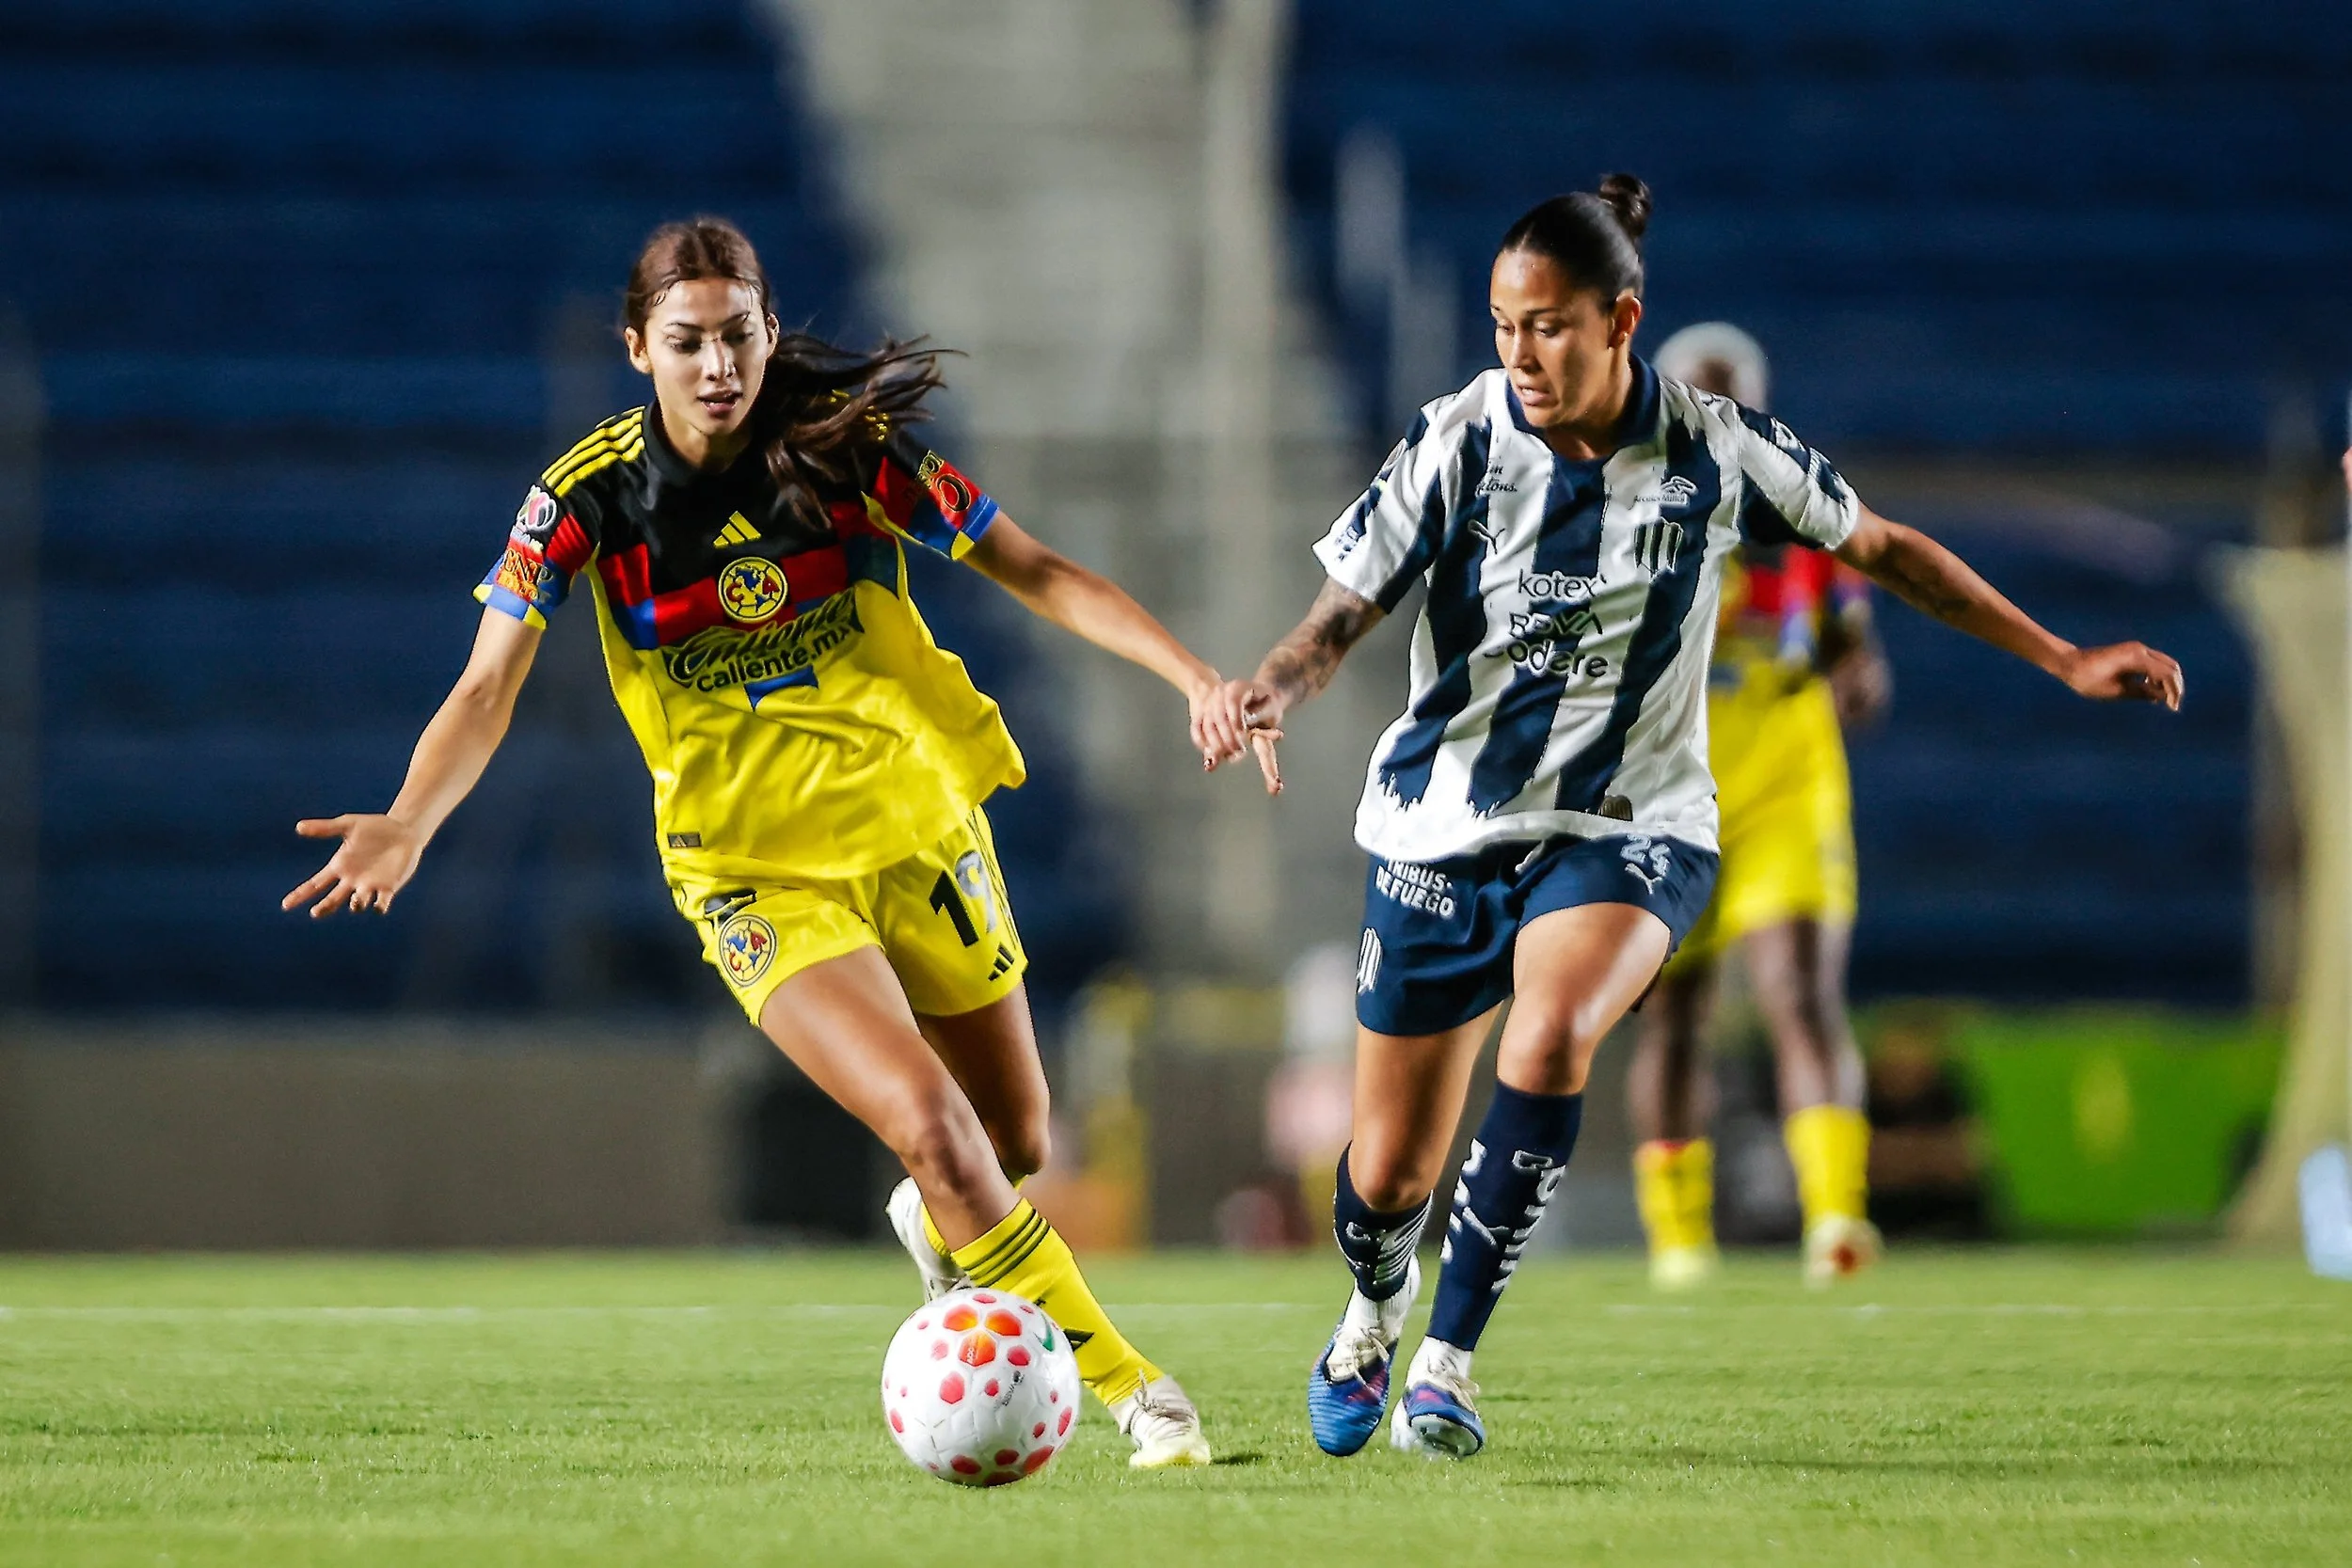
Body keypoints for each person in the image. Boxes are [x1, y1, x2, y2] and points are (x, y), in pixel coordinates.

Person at [1200, 174, 2182, 1461]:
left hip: (1631, 822)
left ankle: (1446, 1361)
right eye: (1504, 326)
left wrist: (2060, 656)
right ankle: (1375, 1308)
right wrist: (1269, 684)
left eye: (1549, 325)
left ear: (1621, 321)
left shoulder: (1719, 448)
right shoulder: (1456, 440)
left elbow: (1883, 548)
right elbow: (1339, 617)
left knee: (1550, 1035)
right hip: (1443, 826)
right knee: (1385, 1175)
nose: (1522, 354)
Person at [283, 216, 1249, 1467]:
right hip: (753, 872)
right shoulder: (584, 498)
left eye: (737, 334)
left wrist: (1187, 673)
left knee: (1005, 1141)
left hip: (914, 827)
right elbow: (485, 688)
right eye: (685, 341)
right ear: (640, 349)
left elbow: (1037, 567)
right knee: (937, 1126)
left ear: (768, 329)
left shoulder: (848, 454)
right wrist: (411, 817)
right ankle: (1134, 1389)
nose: (717, 363)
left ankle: (942, 1220)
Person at [1629, 322, 1891, 1291]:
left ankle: (1835, 1218)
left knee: (1801, 993)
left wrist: (1858, 675)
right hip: (1668, 795)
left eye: (1738, 403)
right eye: (1702, 401)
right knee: (1677, 1018)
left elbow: (1848, 645)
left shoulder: (1814, 514)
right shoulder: (1626, 519)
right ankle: (1679, 1234)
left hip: (1786, 780)